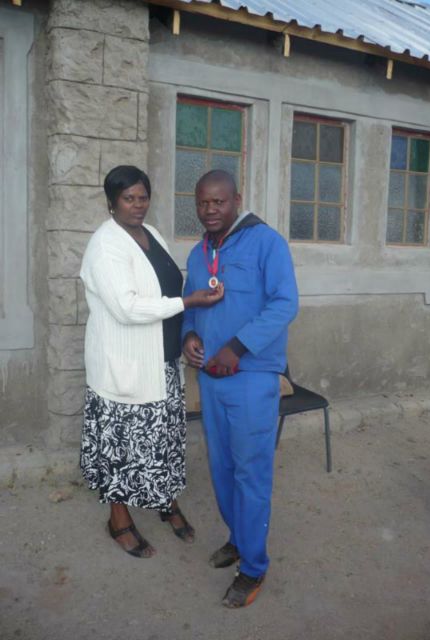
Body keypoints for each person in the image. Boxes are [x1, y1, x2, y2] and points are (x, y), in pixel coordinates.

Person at [79, 165, 223, 558]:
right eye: (129, 198)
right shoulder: (105, 245)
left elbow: (167, 284)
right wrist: (187, 302)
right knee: (120, 446)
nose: (138, 205)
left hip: (162, 361)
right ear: (112, 202)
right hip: (125, 364)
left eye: (143, 197)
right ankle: (118, 520)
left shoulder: (151, 234)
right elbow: (126, 308)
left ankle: (165, 502)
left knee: (163, 441)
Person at [182, 170, 299, 607]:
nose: (210, 210)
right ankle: (238, 538)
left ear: (236, 199)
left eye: (219, 201)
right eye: (202, 202)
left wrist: (237, 346)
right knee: (223, 468)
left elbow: (285, 303)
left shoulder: (267, 243)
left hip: (251, 378)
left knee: (251, 472)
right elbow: (191, 308)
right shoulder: (198, 253)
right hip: (210, 379)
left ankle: (253, 567)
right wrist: (189, 337)